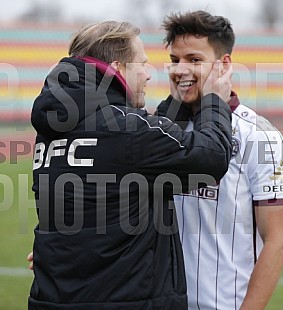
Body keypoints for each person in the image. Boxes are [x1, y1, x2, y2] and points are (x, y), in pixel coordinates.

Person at [28, 20, 233, 309]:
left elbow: (135, 155)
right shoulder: (125, 128)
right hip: (125, 300)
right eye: (142, 65)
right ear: (117, 68)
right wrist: (213, 100)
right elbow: (211, 157)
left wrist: (177, 102)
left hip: (52, 297)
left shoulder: (52, 128)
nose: (149, 74)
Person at [156, 11, 283, 310]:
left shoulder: (260, 136)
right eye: (175, 59)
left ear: (224, 65)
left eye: (194, 60)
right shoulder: (157, 130)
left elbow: (277, 243)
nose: (180, 70)